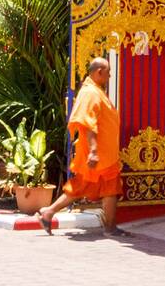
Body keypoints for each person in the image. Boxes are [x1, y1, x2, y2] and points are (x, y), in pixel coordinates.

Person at [39, 57, 122, 235]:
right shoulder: (91, 93)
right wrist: (93, 151)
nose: (109, 76)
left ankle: (48, 212)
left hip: (103, 154)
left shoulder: (94, 90)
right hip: (97, 153)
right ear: (99, 72)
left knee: (81, 187)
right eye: (108, 73)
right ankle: (110, 228)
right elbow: (86, 123)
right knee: (109, 187)